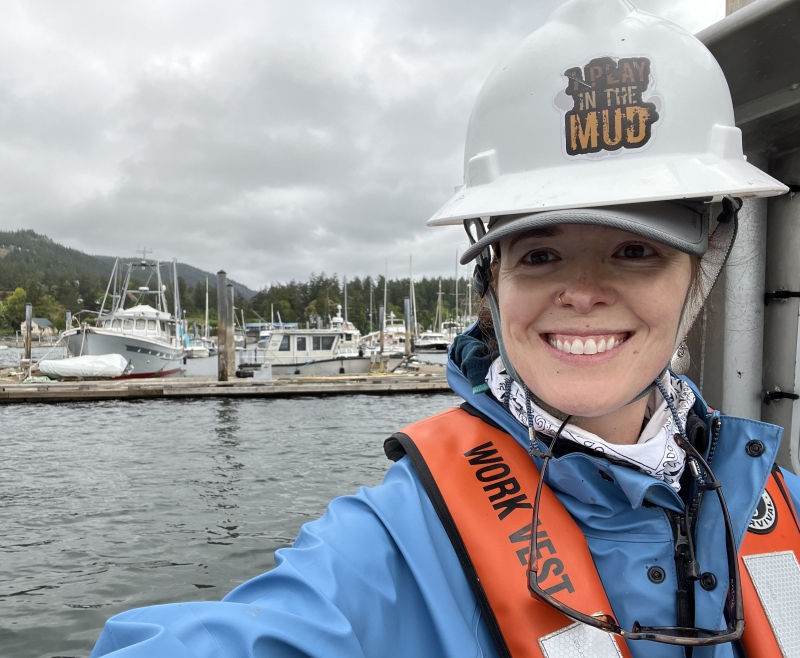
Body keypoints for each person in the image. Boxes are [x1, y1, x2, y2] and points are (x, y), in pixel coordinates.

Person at [91, 1, 800, 657]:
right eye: (541, 254)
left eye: (635, 250)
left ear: (703, 265)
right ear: (491, 280)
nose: (582, 294)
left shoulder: (781, 501)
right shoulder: (398, 542)